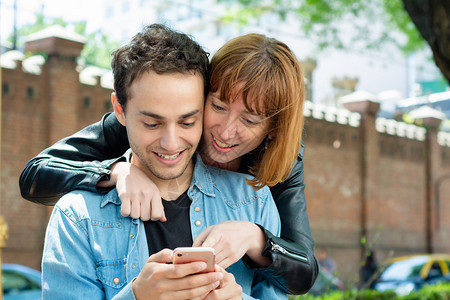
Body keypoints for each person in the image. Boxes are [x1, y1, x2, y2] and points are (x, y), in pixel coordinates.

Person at [20, 27, 318, 294]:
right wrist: (116, 170)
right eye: (218, 106)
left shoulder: (257, 197)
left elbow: (302, 274)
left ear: (272, 129)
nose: (226, 131)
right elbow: (35, 174)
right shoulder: (80, 215)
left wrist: (255, 238)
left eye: (187, 122)